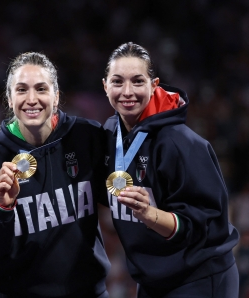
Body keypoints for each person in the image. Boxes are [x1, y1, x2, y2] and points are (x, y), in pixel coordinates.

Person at [102, 42, 239, 297]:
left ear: (154, 85)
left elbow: (206, 225)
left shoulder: (180, 142)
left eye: (138, 81)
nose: (127, 91)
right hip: (152, 281)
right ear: (105, 85)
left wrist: (149, 214)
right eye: (118, 81)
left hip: (198, 278)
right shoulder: (110, 134)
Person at [0, 52, 110, 297]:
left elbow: (116, 199)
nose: (31, 99)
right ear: (9, 99)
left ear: (56, 96)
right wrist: (1, 207)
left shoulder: (86, 137)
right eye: (22, 90)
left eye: (41, 89)